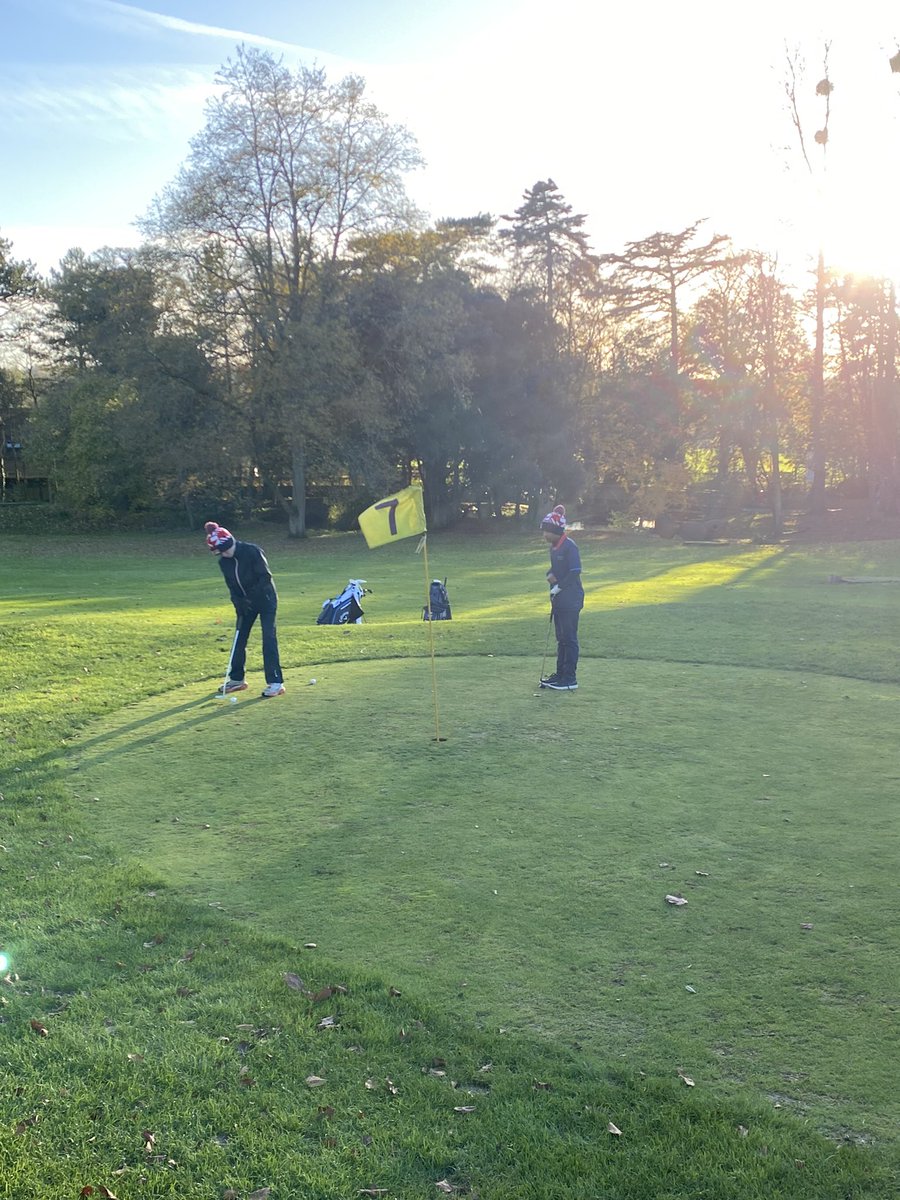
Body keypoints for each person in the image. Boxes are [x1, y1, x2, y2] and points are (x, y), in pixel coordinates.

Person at [205, 521, 286, 698]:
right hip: (245, 604)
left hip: (266, 600)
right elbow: (232, 586)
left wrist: (250, 597)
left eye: (224, 551)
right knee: (239, 638)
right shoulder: (224, 562)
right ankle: (237, 679)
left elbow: (265, 578)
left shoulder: (252, 551)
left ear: (229, 543)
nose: (224, 555)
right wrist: (237, 602)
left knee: (268, 638)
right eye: (220, 553)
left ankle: (275, 682)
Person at [539, 504, 584, 691]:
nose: (544, 535)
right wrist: (550, 574)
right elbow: (556, 570)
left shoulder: (569, 547)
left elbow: (575, 571)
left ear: (555, 530)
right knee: (561, 638)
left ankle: (569, 678)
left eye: (546, 531)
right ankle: (560, 674)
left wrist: (559, 587)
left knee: (569, 638)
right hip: (558, 599)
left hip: (571, 599)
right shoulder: (554, 547)